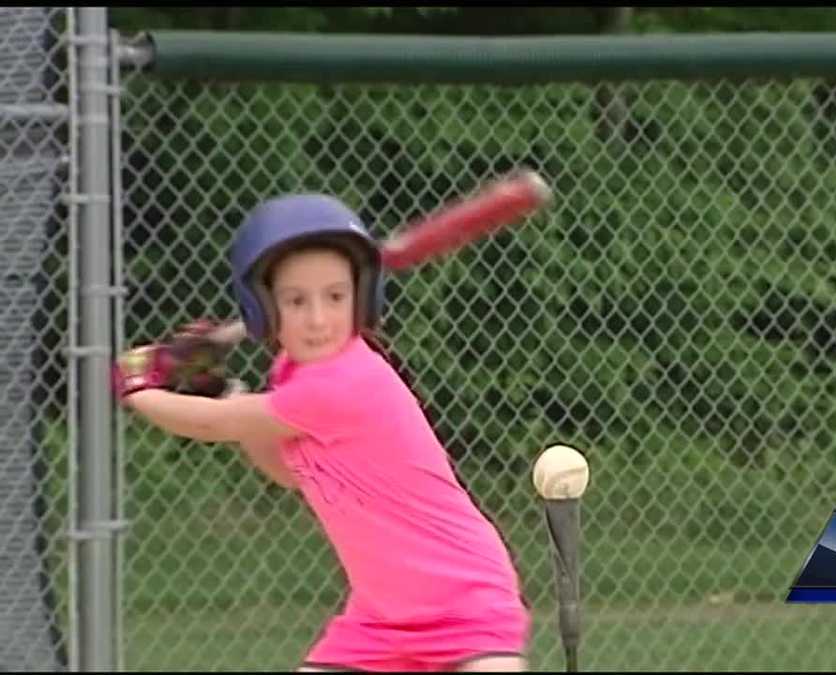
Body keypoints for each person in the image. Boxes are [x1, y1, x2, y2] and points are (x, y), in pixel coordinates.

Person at [113, 194, 532, 672]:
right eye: (296, 300)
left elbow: (214, 426)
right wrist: (221, 388)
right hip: (380, 621)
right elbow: (288, 471)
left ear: (362, 299)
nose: (317, 319)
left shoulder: (346, 380)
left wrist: (137, 386)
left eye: (335, 297)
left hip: (466, 604)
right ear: (264, 311)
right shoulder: (294, 374)